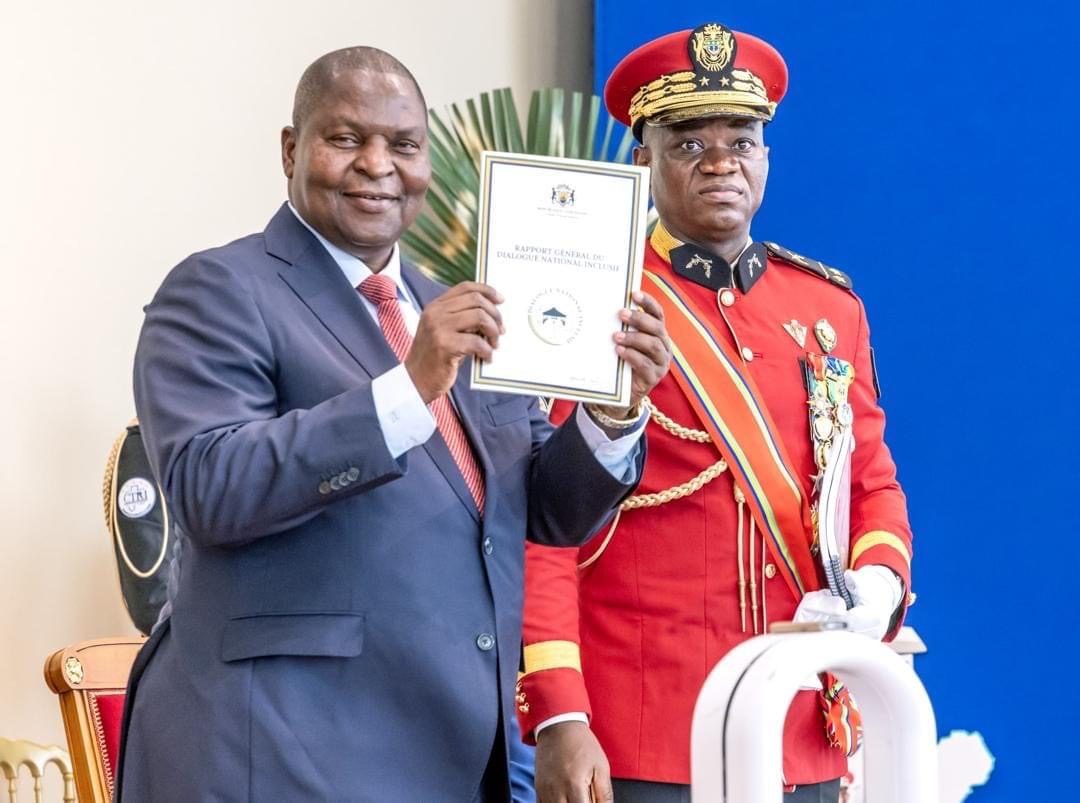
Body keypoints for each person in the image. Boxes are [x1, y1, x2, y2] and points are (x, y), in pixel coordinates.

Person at [115, 46, 671, 802]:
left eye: (403, 144)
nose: (377, 165)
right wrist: (406, 390)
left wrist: (613, 410)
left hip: (448, 750)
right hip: (277, 752)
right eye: (346, 138)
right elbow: (209, 488)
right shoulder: (218, 289)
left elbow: (543, 509)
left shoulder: (458, 307)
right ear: (291, 150)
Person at [517, 23, 913, 803]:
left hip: (799, 723)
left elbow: (870, 481)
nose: (721, 162)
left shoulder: (827, 308)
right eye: (690, 144)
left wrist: (878, 580)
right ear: (643, 161)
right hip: (646, 730)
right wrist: (561, 712)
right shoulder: (596, 299)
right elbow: (543, 525)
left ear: (767, 157)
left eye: (742, 141)